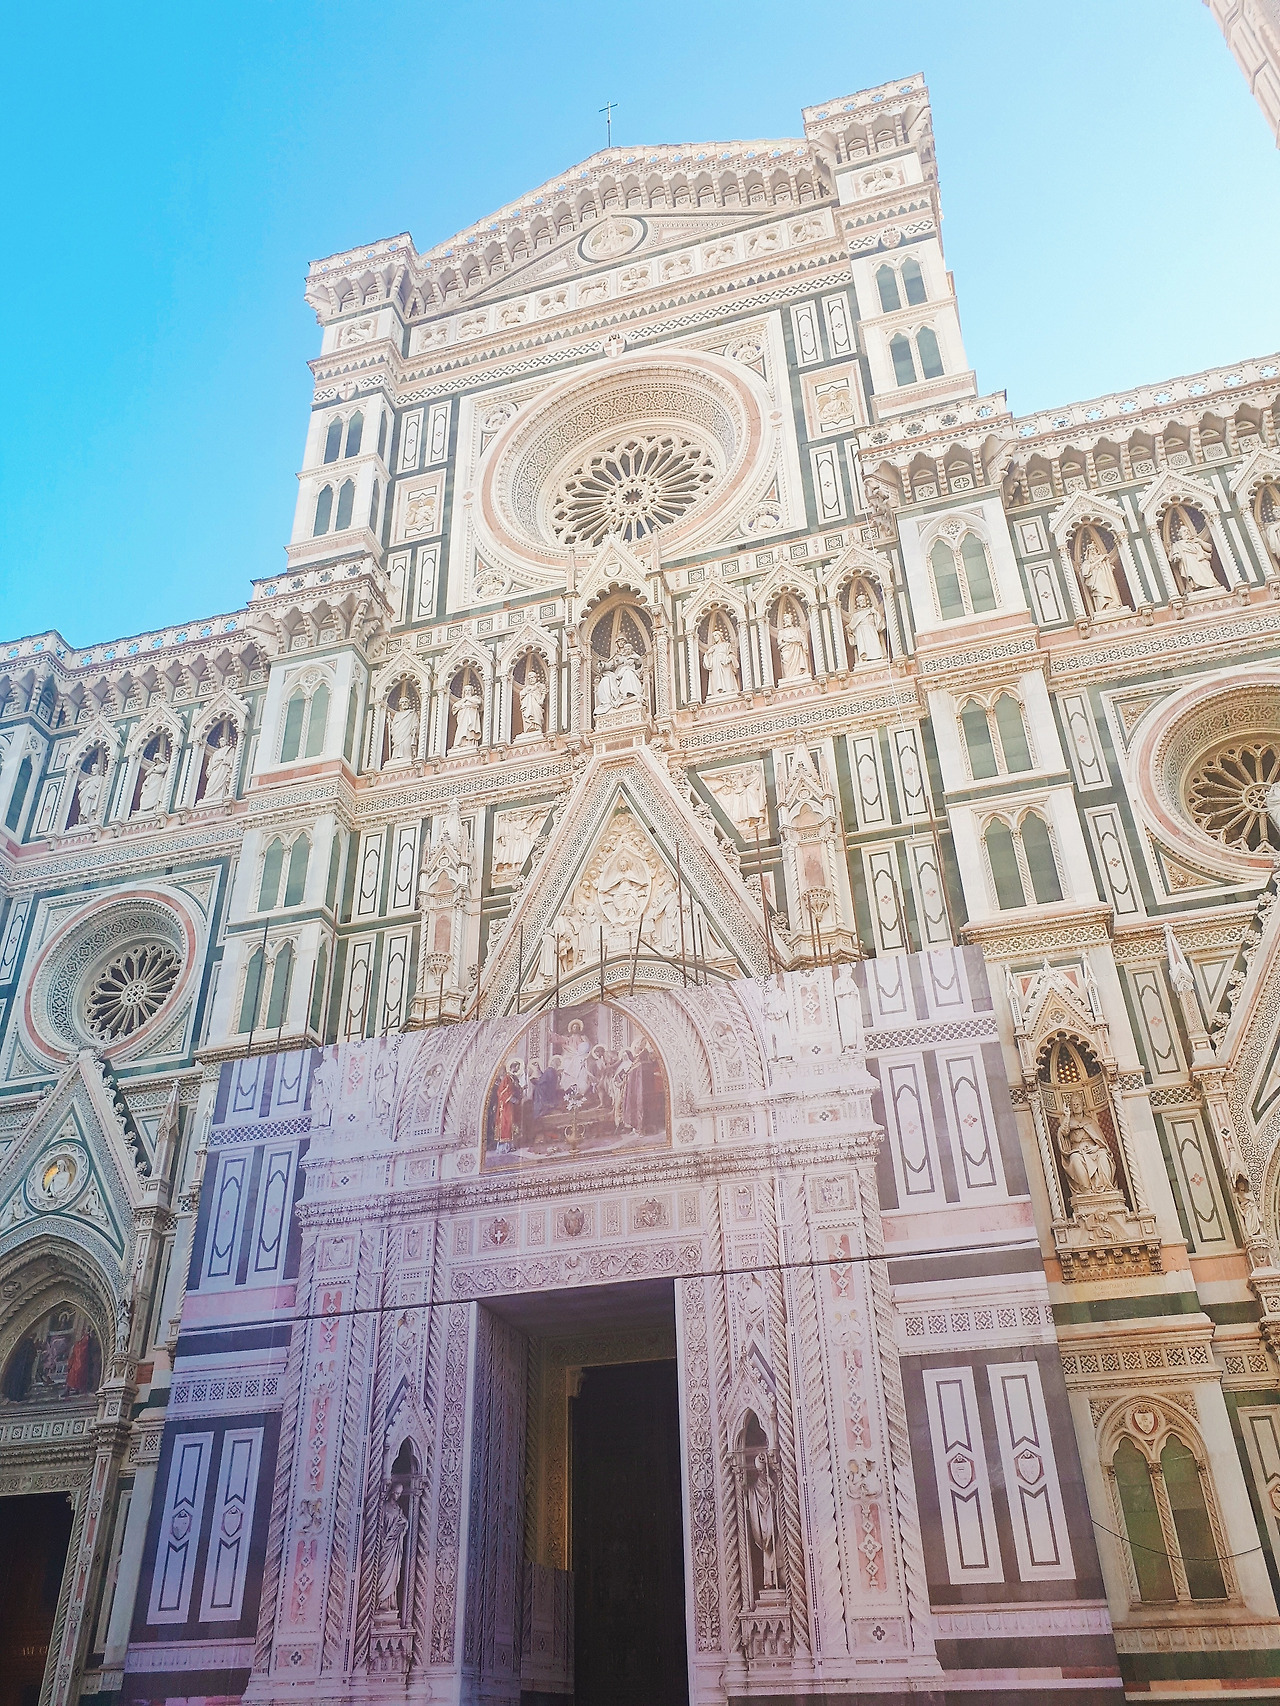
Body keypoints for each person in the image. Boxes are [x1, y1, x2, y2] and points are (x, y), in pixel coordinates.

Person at [1056, 1098, 1118, 1199]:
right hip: (1078, 1151)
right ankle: (1086, 1189)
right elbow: (1064, 1133)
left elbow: (1100, 1140)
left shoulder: (1090, 1121)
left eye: (1078, 1104)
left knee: (1103, 1156)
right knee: (1075, 1159)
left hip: (1093, 1150)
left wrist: (1097, 1147)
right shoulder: (1069, 1122)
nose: (1076, 1106)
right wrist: (1066, 1116)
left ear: (1082, 1105)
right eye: (1073, 1104)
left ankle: (1106, 1187)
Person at [845, 591, 887, 663]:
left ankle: (879, 656)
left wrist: (876, 613)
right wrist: (849, 630)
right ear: (858, 603)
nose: (862, 602)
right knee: (863, 646)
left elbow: (879, 625)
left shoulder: (872, 611)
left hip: (871, 630)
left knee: (876, 645)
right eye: (861, 601)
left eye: (863, 600)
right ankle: (864, 658)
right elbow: (851, 627)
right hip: (861, 633)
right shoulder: (856, 615)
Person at [701, 623, 740, 698]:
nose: (715, 637)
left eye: (716, 635)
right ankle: (717, 692)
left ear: (720, 636)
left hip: (725, 663)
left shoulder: (727, 645)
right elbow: (707, 660)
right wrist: (708, 653)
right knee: (717, 678)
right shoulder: (713, 648)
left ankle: (728, 690)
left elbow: (732, 655)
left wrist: (728, 659)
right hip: (715, 664)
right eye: (714, 636)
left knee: (727, 678)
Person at [776, 609, 811, 680]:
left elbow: (803, 641)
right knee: (786, 659)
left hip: (797, 650)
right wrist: (792, 640)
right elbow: (779, 642)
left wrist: (791, 640)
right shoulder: (782, 632)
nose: (786, 620)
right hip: (787, 650)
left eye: (787, 618)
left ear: (791, 620)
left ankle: (800, 673)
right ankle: (788, 677)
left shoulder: (797, 630)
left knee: (798, 664)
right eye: (785, 619)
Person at [450, 681, 483, 749]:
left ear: (472, 691)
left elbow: (478, 702)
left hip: (472, 717)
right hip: (463, 719)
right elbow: (454, 707)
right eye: (466, 690)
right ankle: (461, 743)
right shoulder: (462, 701)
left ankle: (470, 743)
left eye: (469, 690)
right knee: (462, 730)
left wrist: (468, 700)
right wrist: (464, 702)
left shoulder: (475, 698)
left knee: (470, 730)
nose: (467, 692)